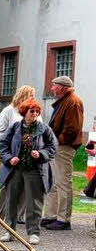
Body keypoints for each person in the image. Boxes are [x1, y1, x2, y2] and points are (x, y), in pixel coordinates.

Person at [0, 98, 57, 245]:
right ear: (24, 112)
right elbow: (3, 145)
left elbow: (53, 146)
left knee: (34, 202)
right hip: (15, 170)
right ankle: (9, 231)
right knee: (11, 200)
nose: (35, 114)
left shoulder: (44, 128)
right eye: (32, 111)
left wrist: (41, 153)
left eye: (37, 111)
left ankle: (34, 233)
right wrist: (9, 158)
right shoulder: (15, 127)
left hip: (35, 170)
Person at [42, 76, 84, 231]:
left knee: (63, 183)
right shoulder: (65, 101)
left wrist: (58, 140)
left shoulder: (73, 101)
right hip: (58, 146)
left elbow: (73, 128)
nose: (52, 88)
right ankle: (51, 216)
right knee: (52, 181)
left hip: (64, 147)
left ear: (62, 87)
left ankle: (63, 219)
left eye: (54, 86)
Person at [0, 86, 37, 223]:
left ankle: (19, 215)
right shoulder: (9, 111)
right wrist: (11, 142)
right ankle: (0, 213)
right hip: (12, 152)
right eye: (31, 95)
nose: (34, 98)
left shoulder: (34, 112)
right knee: (9, 182)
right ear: (23, 96)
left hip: (28, 153)